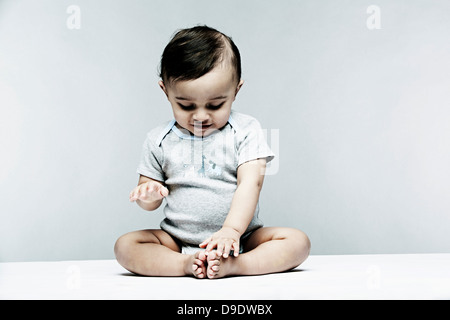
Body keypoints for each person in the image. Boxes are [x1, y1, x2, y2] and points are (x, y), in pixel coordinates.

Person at [114, 25, 310, 279]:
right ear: (166, 92)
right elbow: (148, 203)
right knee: (126, 246)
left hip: (241, 240)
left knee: (297, 241)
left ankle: (235, 266)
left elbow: (250, 184)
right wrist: (148, 194)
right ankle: (185, 264)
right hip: (176, 241)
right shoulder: (158, 140)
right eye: (186, 105)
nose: (201, 116)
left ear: (236, 91)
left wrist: (231, 231)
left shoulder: (246, 131)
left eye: (216, 105)